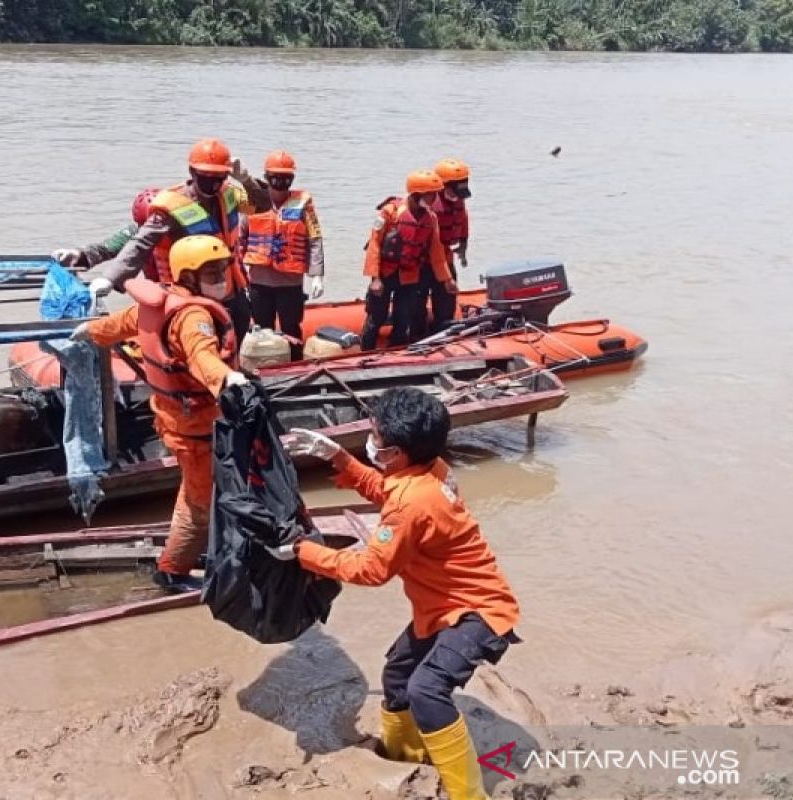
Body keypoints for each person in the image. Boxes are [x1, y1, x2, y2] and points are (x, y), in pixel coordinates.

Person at [277, 387, 520, 800]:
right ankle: (404, 752)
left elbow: (372, 569)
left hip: (476, 610)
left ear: (397, 454)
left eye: (376, 437)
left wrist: (304, 553)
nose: (371, 441)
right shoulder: (432, 470)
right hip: (440, 604)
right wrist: (337, 457)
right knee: (397, 674)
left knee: (426, 689)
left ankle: (469, 795)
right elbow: (389, 491)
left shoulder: (411, 503)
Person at [72, 235, 249, 593]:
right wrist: (226, 378)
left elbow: (119, 324)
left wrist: (88, 331)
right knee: (198, 503)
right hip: (197, 428)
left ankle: (200, 548)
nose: (220, 277)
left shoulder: (161, 303)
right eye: (210, 272)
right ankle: (172, 570)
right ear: (188, 275)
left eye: (222, 269)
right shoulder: (193, 316)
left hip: (175, 419)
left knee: (203, 491)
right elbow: (202, 357)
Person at [91, 138, 268, 344]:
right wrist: (111, 278)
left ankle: (235, 371)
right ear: (192, 173)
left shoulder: (228, 192)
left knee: (236, 334)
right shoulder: (172, 206)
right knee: (204, 347)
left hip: (230, 287)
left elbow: (263, 205)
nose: (213, 183)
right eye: (206, 177)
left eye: (219, 177)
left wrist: (247, 180)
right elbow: (141, 243)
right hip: (195, 293)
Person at [240, 150, 325, 360]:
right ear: (267, 178)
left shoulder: (303, 203)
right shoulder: (255, 203)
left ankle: (295, 363)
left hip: (290, 283)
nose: (280, 182)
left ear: (292, 179)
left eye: (286, 178)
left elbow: (314, 238)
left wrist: (317, 275)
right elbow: (240, 239)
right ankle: (264, 368)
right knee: (261, 330)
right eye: (275, 177)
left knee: (291, 330)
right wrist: (238, 274)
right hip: (260, 282)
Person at [361, 171, 457, 350]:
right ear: (417, 194)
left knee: (403, 318)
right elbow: (374, 244)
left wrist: (447, 280)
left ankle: (395, 353)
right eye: (432, 194)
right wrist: (375, 278)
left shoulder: (431, 218)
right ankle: (365, 350)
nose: (435, 198)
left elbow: (437, 252)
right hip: (386, 273)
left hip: (410, 276)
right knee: (376, 317)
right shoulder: (389, 213)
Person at [51, 187, 160, 270]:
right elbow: (103, 250)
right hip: (154, 288)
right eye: (149, 226)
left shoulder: (177, 233)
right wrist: (78, 255)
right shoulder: (135, 233)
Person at [423, 158, 472, 335]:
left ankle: (443, 331)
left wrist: (464, 246)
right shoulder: (428, 203)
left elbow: (463, 221)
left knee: (446, 302)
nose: (458, 196)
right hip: (424, 262)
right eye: (454, 189)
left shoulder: (458, 199)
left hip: (446, 258)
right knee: (416, 302)